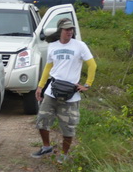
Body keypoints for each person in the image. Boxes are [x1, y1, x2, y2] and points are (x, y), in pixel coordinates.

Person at [31, 18, 97, 163]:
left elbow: (92, 65)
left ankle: (64, 154)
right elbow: (48, 67)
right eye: (67, 29)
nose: (69, 32)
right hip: (52, 90)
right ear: (60, 30)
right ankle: (46, 146)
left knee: (68, 126)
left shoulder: (80, 46)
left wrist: (87, 84)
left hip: (70, 93)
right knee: (42, 120)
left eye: (71, 29)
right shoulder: (53, 46)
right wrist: (41, 86)